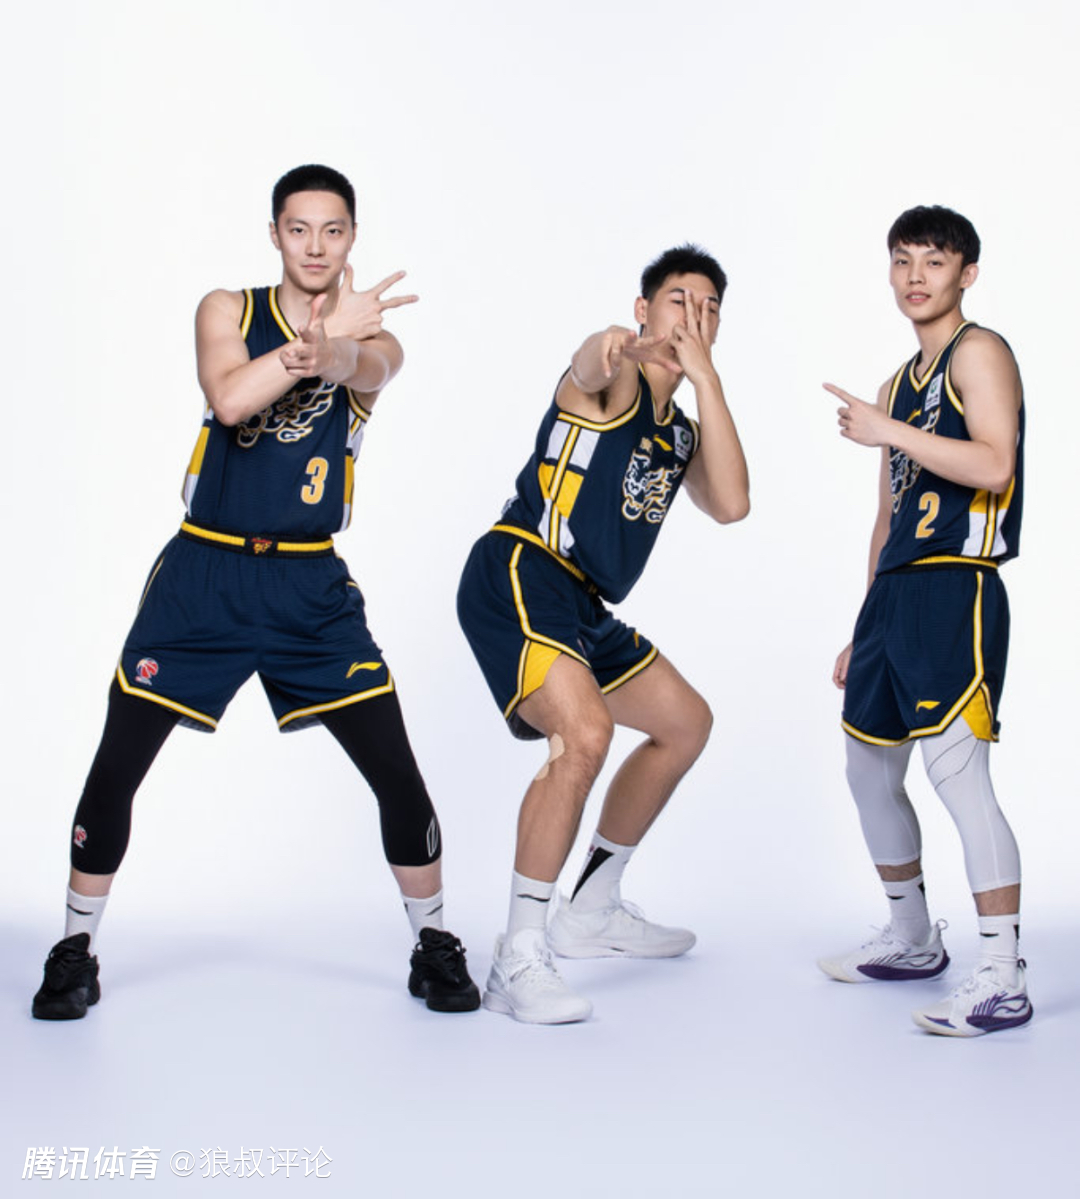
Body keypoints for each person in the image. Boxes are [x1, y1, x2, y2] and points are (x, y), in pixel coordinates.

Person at [32, 164, 478, 1020]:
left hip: (309, 583)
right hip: (205, 572)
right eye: (299, 228)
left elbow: (360, 364)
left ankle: (433, 942)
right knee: (118, 763)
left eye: (333, 229)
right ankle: (74, 948)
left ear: (353, 237)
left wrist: (334, 345)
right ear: (274, 233)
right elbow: (232, 399)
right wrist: (312, 341)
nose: (316, 245)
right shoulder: (227, 310)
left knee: (396, 768)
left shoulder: (377, 339)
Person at [458, 245, 750, 1023]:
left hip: (582, 601)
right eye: (680, 299)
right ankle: (519, 954)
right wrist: (615, 345)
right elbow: (589, 362)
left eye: (710, 308)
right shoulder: (615, 376)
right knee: (584, 734)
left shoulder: (682, 430)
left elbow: (731, 504)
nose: (694, 316)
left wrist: (709, 381)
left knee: (685, 723)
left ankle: (590, 905)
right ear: (645, 308)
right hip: (521, 567)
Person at [820, 205, 1030, 1036]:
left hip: (956, 587)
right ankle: (912, 938)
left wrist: (888, 430)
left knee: (958, 775)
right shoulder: (894, 385)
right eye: (903, 259)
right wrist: (863, 618)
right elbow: (889, 514)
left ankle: (1003, 976)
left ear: (966, 273)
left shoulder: (979, 352)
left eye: (934, 261)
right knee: (867, 768)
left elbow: (995, 463)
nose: (915, 276)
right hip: (895, 597)